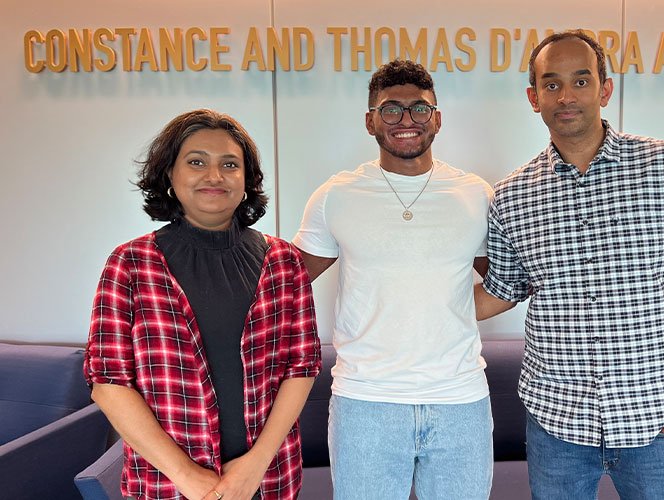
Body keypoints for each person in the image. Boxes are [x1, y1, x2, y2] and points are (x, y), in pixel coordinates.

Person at [475, 30, 664, 499]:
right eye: (551, 84)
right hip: (556, 425)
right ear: (533, 98)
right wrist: (417, 298)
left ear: (605, 90)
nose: (566, 96)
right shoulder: (511, 195)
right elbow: (503, 289)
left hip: (659, 421)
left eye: (581, 81)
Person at [84, 109, 321, 500]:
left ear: (246, 181)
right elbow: (109, 382)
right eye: (196, 162)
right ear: (170, 177)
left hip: (268, 480)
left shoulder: (284, 262)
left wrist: (255, 465)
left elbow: (302, 367)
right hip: (166, 485)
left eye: (230, 164)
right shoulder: (130, 264)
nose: (214, 176)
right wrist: (188, 476)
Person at [293, 60, 494, 500]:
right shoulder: (335, 195)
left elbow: (503, 282)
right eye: (391, 110)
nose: (406, 121)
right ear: (370, 121)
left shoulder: (475, 194)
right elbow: (288, 283)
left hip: (459, 401)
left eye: (419, 109)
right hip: (365, 403)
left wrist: (453, 305)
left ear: (437, 118)